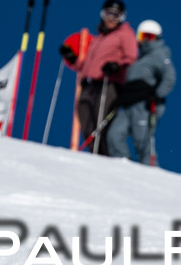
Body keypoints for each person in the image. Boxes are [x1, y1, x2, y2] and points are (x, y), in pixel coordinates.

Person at [59, 0, 137, 156]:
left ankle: (109, 160)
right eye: (108, 14)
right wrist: (72, 59)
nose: (111, 19)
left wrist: (117, 66)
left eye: (116, 16)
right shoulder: (97, 39)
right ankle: (98, 157)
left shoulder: (125, 34)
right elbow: (86, 65)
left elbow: (131, 58)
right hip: (88, 85)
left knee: (101, 124)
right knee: (86, 123)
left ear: (122, 18)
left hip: (108, 84)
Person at [107, 19, 176, 166]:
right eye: (142, 36)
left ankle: (150, 174)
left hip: (145, 106)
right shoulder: (138, 60)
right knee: (114, 136)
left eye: (149, 37)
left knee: (142, 141)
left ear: (157, 38)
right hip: (128, 104)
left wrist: (156, 95)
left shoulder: (159, 55)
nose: (144, 41)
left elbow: (169, 77)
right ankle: (125, 167)